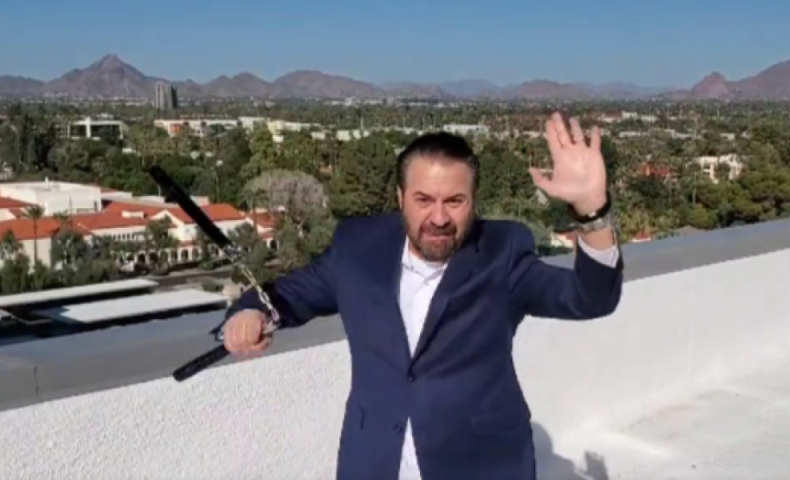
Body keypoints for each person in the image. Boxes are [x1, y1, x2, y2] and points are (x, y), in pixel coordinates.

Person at [222, 112, 624, 480]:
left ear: (473, 201)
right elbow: (288, 295)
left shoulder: (503, 252)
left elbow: (590, 298)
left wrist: (592, 212)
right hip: (375, 463)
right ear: (401, 198)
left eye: (455, 201)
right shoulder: (358, 247)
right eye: (424, 200)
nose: (439, 217)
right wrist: (250, 313)